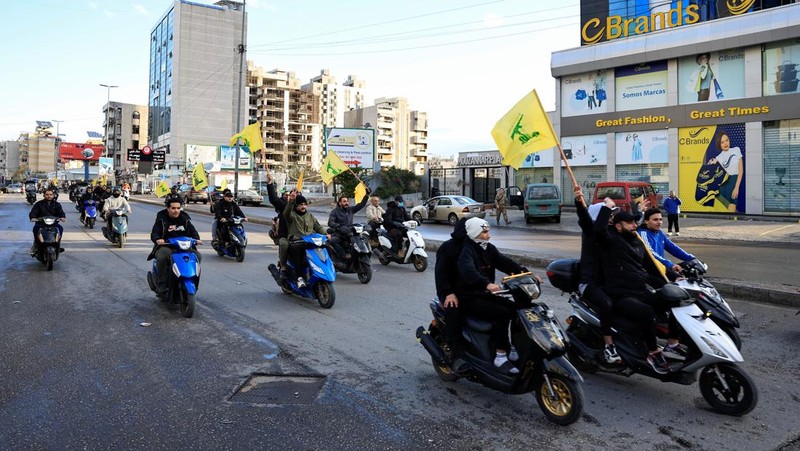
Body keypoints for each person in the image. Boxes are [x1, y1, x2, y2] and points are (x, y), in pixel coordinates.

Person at [593, 204, 682, 374]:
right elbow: (598, 230)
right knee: (646, 312)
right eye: (630, 223)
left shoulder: (636, 242)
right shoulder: (611, 239)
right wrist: (606, 208)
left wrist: (673, 278)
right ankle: (653, 352)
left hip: (640, 290)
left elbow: (652, 266)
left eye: (635, 222)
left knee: (676, 299)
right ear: (618, 226)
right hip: (620, 295)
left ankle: (672, 343)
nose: (635, 226)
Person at [457, 218, 526, 375]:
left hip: (485, 294)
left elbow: (505, 263)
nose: (489, 235)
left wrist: (525, 273)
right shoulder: (467, 251)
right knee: (502, 313)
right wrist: (486, 284)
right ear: (475, 233)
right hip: (470, 298)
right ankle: (500, 356)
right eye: (485, 232)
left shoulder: (488, 248)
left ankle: (514, 347)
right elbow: (468, 271)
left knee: (517, 309)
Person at [574, 186, 621, 364]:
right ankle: (609, 345)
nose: (610, 218)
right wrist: (579, 202)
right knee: (607, 304)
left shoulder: (609, 232)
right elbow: (585, 220)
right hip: (589, 283)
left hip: (608, 281)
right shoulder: (591, 234)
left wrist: (639, 213)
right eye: (607, 215)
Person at [435, 218, 469, 373]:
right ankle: (457, 355)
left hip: (472, 292)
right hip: (451, 293)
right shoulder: (448, 248)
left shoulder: (478, 247)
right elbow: (441, 275)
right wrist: (448, 294)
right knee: (454, 311)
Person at [148, 200, 202, 295]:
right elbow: (154, 232)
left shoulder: (184, 219)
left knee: (197, 255)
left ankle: (193, 280)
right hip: (167, 246)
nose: (176, 210)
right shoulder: (162, 219)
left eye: (178, 208)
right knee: (162, 257)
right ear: (168, 208)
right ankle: (162, 284)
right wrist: (158, 239)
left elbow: (193, 231)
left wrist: (196, 239)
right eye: (173, 208)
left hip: (183, 247)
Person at [283, 190, 329, 288]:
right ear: (296, 206)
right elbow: (286, 213)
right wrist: (291, 201)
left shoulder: (310, 216)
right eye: (300, 205)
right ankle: (299, 278)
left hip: (309, 242)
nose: (303, 207)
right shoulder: (292, 216)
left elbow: (318, 227)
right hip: (296, 242)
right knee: (297, 254)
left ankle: (325, 272)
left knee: (325, 248)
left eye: (304, 204)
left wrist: (326, 234)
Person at [638, 207, 696, 274]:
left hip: (661, 268)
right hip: (651, 271)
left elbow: (673, 248)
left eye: (660, 219)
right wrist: (670, 265)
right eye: (655, 220)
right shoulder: (643, 234)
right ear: (646, 221)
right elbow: (651, 253)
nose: (659, 222)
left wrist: (691, 258)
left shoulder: (659, 233)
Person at [708, 132, 743, 212]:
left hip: (734, 182)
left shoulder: (736, 150)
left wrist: (736, 187)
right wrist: (711, 162)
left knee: (731, 209)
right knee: (727, 211)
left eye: (726, 140)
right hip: (723, 185)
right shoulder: (718, 157)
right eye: (722, 142)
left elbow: (741, 171)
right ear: (719, 145)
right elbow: (712, 168)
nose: (725, 144)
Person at [328, 192, 369, 259]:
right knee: (332, 241)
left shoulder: (351, 209)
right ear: (340, 203)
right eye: (344, 201)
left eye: (347, 201)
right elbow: (330, 222)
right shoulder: (334, 212)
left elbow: (361, 205)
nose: (346, 203)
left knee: (361, 240)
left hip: (350, 232)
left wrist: (366, 195)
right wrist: (339, 226)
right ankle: (344, 255)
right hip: (340, 233)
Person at [266, 173, 290, 278]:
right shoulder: (284, 205)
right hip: (286, 235)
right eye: (288, 195)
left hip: (300, 237)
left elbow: (314, 224)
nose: (302, 207)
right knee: (284, 244)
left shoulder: (304, 211)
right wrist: (270, 183)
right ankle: (283, 267)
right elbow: (273, 199)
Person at [29, 188, 66, 255]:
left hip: (53, 224)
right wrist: (33, 217)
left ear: (53, 195)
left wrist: (62, 217)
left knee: (60, 228)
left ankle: (57, 245)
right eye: (47, 194)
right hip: (41, 223)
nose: (49, 196)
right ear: (44, 195)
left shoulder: (57, 204)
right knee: (36, 229)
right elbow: (33, 212)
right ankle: (36, 245)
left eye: (50, 194)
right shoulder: (39, 204)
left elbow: (61, 212)